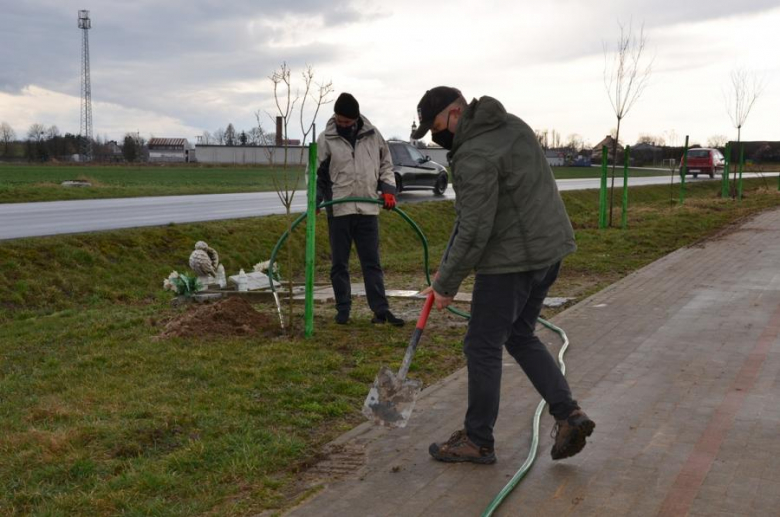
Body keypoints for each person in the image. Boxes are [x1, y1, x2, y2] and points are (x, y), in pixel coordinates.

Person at [414, 86, 594, 464]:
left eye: (435, 127)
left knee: (481, 345)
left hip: (511, 262)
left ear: (455, 114)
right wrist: (446, 268)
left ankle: (478, 440)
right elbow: (469, 219)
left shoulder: (474, 154)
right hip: (549, 252)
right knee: (519, 334)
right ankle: (569, 414)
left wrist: (446, 285)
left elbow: (476, 228)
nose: (435, 137)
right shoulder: (511, 126)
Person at [316, 93, 405, 327]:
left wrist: (387, 189)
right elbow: (316, 174)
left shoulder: (374, 136)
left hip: (367, 208)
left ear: (356, 119)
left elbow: (386, 164)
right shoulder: (326, 138)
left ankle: (380, 310)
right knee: (339, 264)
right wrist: (315, 198)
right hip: (339, 209)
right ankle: (343, 309)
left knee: (371, 262)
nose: (343, 125)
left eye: (347, 121)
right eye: (339, 120)